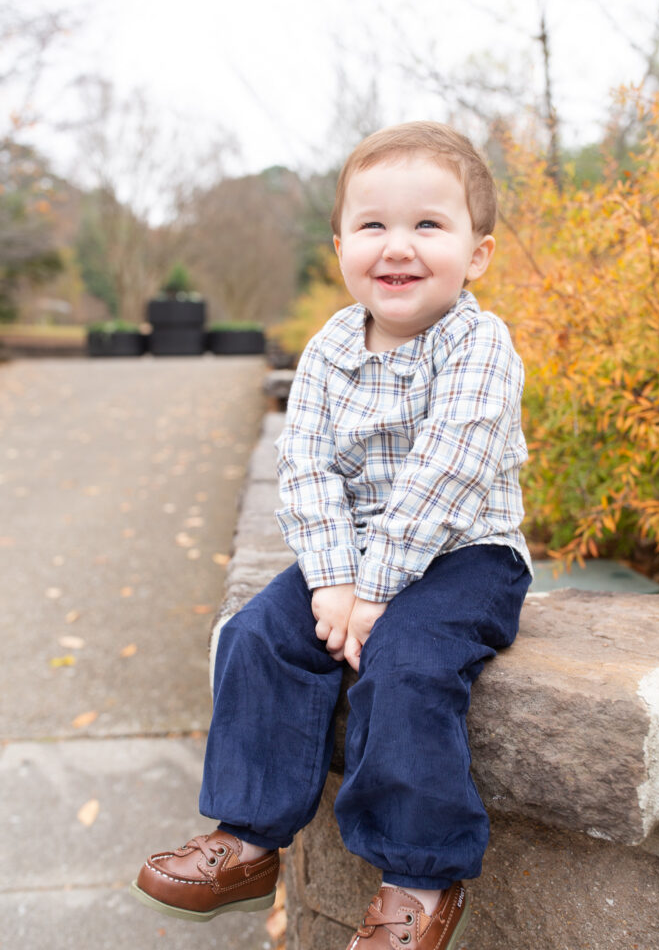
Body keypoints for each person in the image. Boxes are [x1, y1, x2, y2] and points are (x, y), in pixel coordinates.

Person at [130, 121, 532, 949]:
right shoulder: (326, 352)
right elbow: (304, 469)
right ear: (340, 245)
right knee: (257, 635)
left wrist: (375, 589)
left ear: (477, 254)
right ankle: (247, 839)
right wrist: (329, 581)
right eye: (373, 225)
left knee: (408, 663)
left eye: (428, 225)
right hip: (348, 561)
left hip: (465, 553)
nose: (398, 246)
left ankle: (420, 875)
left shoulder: (478, 346)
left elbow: (444, 475)